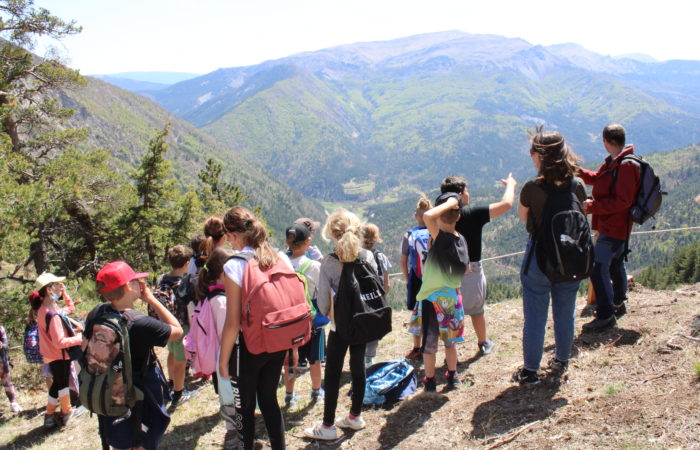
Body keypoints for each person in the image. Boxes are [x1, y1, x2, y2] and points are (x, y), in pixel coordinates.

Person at [218, 206, 294, 450]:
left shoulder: (235, 265)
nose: (229, 241)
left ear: (234, 234)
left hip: (248, 348)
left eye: (228, 236)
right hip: (277, 339)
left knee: (245, 407)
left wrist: (223, 359)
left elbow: (232, 321)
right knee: (270, 399)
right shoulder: (279, 256)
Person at [515, 126, 586, 384]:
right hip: (570, 257)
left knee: (535, 315)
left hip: (539, 259)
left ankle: (531, 371)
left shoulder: (532, 188)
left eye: (533, 151)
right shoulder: (577, 185)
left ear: (540, 156)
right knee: (565, 312)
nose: (531, 156)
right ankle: (561, 360)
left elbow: (525, 218)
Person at [88, 261, 183, 450]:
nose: (140, 284)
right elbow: (177, 331)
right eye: (135, 281)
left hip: (109, 391)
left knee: (123, 436)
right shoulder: (140, 323)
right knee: (142, 439)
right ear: (127, 287)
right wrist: (151, 300)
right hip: (140, 392)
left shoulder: (96, 314)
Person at [304, 209, 377, 440]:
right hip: (362, 322)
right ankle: (355, 416)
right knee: (358, 368)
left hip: (339, 326)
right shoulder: (367, 256)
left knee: (333, 374)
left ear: (332, 234)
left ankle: (327, 427)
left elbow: (324, 305)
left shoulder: (329, 262)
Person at [440, 172, 517, 356]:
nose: (469, 193)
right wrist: (511, 185)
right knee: (476, 310)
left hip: (447, 271)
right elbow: (506, 204)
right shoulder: (472, 214)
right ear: (460, 194)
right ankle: (483, 342)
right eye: (466, 190)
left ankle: (451, 352)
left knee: (450, 313)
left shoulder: (439, 218)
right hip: (471, 270)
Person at [579, 124, 640, 331]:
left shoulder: (625, 166)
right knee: (615, 263)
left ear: (606, 141)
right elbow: (599, 179)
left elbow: (623, 201)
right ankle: (618, 302)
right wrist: (579, 171)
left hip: (615, 226)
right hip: (615, 226)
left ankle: (606, 314)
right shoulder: (616, 161)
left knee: (597, 267)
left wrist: (593, 206)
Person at [410, 193, 468, 392]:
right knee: (450, 342)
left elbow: (427, 217)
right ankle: (452, 375)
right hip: (452, 297)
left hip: (431, 298)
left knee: (430, 343)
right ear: (459, 217)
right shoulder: (461, 240)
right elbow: (466, 269)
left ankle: (430, 380)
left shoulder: (440, 238)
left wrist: (449, 203)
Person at [194, 246, 239, 447]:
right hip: (228, 354)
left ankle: (236, 429)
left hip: (223, 352)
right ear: (224, 274)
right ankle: (235, 433)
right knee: (232, 395)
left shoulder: (211, 295)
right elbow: (227, 331)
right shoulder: (221, 301)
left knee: (228, 394)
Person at [284, 223, 325, 410]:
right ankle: (317, 391)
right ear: (308, 241)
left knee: (290, 361)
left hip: (287, 322)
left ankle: (289, 396)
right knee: (315, 360)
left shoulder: (280, 264)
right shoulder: (314, 266)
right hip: (311, 321)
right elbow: (322, 292)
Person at [34, 272, 83, 429]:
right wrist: (81, 338)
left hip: (52, 354)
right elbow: (60, 342)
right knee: (60, 384)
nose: (60, 287)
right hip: (58, 354)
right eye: (57, 285)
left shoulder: (46, 308)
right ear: (49, 289)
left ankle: (58, 413)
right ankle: (59, 413)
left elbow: (69, 308)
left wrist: (65, 294)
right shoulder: (52, 314)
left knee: (60, 383)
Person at [155, 245, 198, 407]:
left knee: (172, 353)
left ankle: (172, 382)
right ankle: (179, 393)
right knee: (181, 361)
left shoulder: (163, 279)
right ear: (187, 263)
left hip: (166, 326)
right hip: (181, 326)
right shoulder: (184, 282)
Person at [402, 196, 432, 360]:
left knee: (416, 313)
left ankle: (417, 347)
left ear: (416, 216)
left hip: (416, 279)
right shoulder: (435, 231)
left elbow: (403, 261)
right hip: (434, 279)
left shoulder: (409, 235)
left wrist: (408, 280)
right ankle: (434, 345)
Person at [361, 222, 391, 365]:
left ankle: (360, 355)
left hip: (361, 299)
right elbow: (387, 283)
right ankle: (369, 357)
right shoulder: (381, 257)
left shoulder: (357, 256)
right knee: (374, 328)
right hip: (377, 298)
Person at [0, 325, 22, 413]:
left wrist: (2, 345)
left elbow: (5, 344)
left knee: (7, 383)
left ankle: (13, 403)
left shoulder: (0, 328)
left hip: (2, 360)